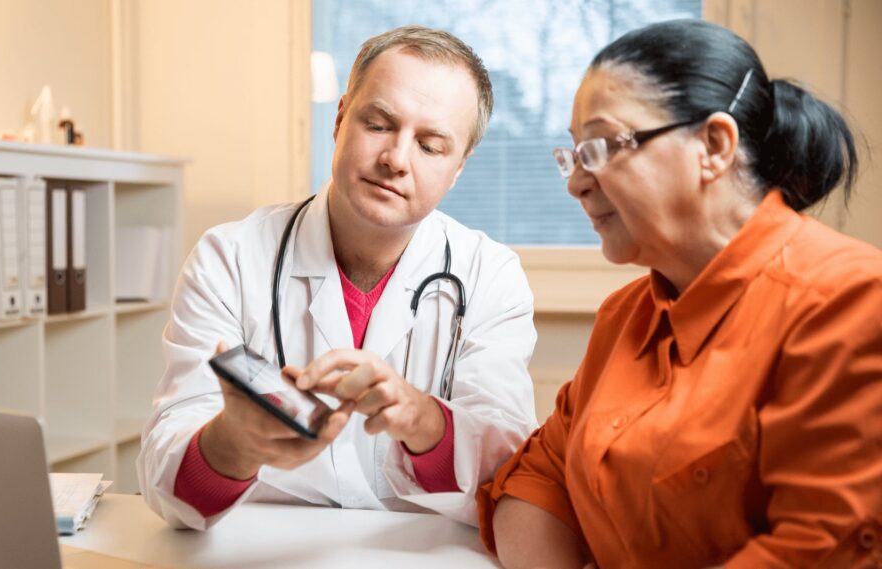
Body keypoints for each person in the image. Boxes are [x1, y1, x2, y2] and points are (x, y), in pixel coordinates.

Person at [478, 19, 882, 569]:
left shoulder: (848, 300)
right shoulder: (625, 315)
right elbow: (539, 480)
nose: (576, 182)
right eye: (572, 155)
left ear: (714, 145)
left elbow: (818, 548)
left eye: (601, 146)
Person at [138, 25, 538, 531]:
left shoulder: (491, 276)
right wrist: (234, 445)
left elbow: (512, 475)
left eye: (430, 145)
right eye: (379, 124)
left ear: (459, 167)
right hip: (262, 551)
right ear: (340, 118)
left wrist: (423, 420)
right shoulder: (231, 257)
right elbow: (169, 485)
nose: (396, 159)